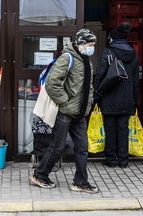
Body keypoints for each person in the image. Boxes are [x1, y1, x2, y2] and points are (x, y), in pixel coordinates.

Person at [30, 29, 99, 193]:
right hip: (66, 112)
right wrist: (65, 102)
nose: (92, 47)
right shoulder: (67, 58)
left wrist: (88, 104)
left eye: (93, 44)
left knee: (82, 148)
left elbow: (88, 87)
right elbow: (52, 83)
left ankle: (80, 182)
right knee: (57, 147)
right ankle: (40, 175)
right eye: (90, 44)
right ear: (81, 43)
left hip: (80, 114)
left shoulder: (86, 60)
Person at [94, 22, 140, 168]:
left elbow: (100, 75)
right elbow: (135, 81)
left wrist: (97, 95)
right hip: (127, 98)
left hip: (109, 96)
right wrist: (134, 100)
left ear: (112, 38)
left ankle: (111, 159)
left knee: (110, 128)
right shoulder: (133, 54)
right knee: (123, 129)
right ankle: (124, 160)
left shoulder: (107, 53)